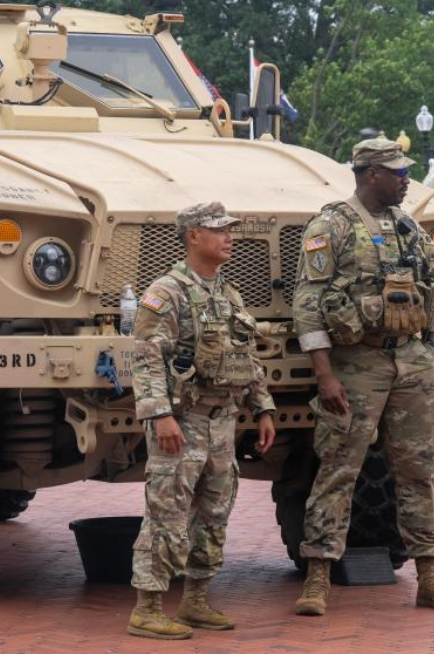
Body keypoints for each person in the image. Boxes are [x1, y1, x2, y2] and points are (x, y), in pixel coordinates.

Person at [291, 136, 434, 616]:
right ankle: (318, 578)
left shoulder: (410, 228)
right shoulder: (332, 226)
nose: (406, 178)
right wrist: (325, 376)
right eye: (397, 172)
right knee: (337, 470)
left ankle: (429, 576)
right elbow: (308, 306)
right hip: (357, 365)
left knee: (419, 471)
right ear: (371, 174)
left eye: (405, 171)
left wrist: (427, 348)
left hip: (411, 364)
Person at [127, 202, 277, 640]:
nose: (229, 237)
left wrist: (262, 406)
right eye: (219, 230)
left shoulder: (227, 294)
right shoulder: (166, 292)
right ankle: (147, 608)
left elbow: (246, 355)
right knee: (167, 513)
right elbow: (147, 357)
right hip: (184, 420)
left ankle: (195, 600)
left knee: (214, 513)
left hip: (222, 422)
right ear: (193, 235)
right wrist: (161, 416)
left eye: (230, 230)